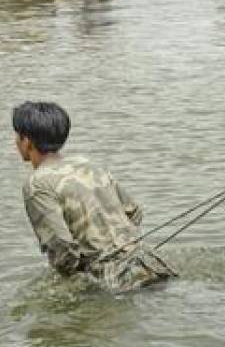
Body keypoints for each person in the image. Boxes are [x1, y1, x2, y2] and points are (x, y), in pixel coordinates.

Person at [13, 101, 176, 293]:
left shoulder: (36, 184)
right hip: (150, 266)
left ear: (27, 141)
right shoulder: (88, 164)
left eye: (17, 135)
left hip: (112, 283)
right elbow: (134, 212)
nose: (15, 141)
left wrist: (77, 283)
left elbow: (61, 247)